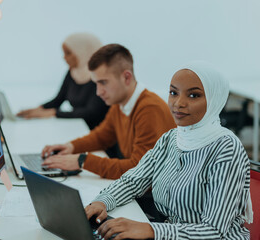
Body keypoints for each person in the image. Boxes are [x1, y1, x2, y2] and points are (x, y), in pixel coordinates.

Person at [84, 62, 252, 240]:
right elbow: (132, 181)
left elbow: (214, 230)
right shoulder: (170, 138)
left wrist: (152, 230)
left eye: (194, 95)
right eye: (173, 93)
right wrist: (102, 201)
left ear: (214, 100)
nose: (178, 103)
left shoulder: (226, 149)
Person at [41, 44, 176, 179]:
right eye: (96, 84)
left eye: (103, 82)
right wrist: (70, 147)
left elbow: (140, 171)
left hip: (152, 196)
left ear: (126, 77)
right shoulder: (119, 103)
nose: (98, 92)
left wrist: (82, 161)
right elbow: (102, 136)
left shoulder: (149, 109)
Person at [17, 33, 109, 130]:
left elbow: (91, 112)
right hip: (77, 129)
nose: (64, 57)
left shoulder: (101, 77)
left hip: (98, 134)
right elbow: (59, 99)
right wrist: (38, 109)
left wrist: (54, 113)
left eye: (68, 53)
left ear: (83, 52)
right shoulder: (72, 73)